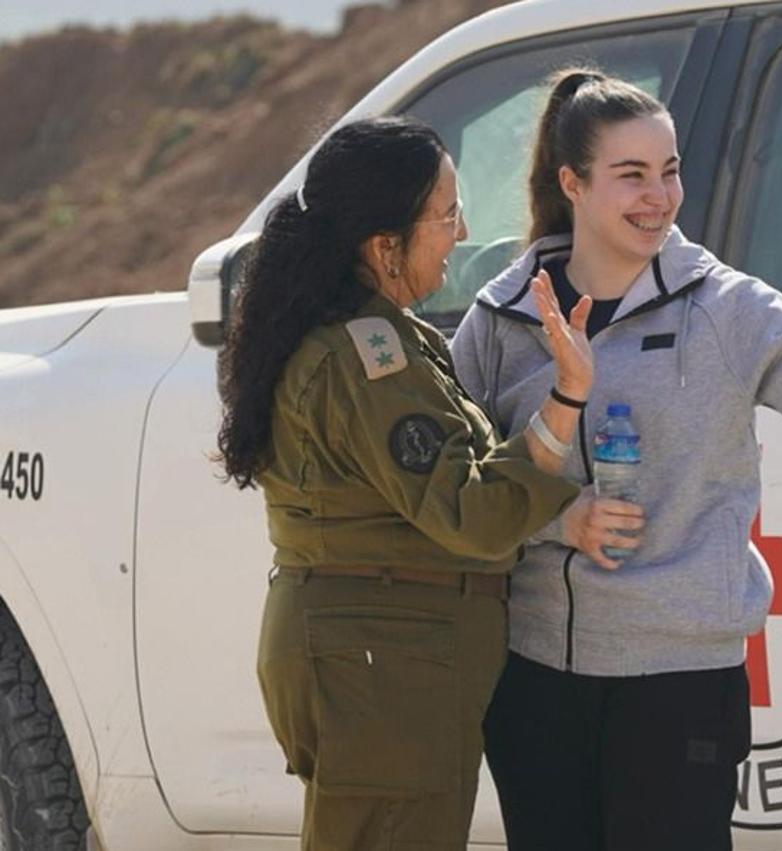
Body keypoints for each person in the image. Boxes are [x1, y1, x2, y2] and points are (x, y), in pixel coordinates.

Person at [450, 70, 782, 850]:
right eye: (632, 175)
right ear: (571, 182)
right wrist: (556, 518)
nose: (660, 196)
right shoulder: (504, 316)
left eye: (670, 171)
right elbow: (456, 484)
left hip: (678, 686)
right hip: (534, 679)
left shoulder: (723, 306)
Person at [215, 116, 594, 851]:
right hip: (383, 675)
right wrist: (564, 404)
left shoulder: (375, 335)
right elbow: (474, 514)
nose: (463, 230)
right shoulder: (369, 356)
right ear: (383, 244)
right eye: (447, 214)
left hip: (382, 669)